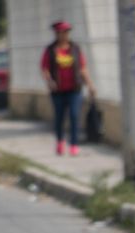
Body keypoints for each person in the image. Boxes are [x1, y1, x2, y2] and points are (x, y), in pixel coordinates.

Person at [41, 20, 96, 156]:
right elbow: (45, 68)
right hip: (58, 91)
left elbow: (82, 68)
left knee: (74, 115)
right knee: (60, 117)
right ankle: (60, 141)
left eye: (66, 32)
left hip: (74, 89)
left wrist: (90, 85)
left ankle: (74, 144)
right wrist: (49, 81)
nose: (64, 35)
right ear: (56, 34)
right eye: (61, 32)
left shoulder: (75, 49)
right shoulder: (51, 50)